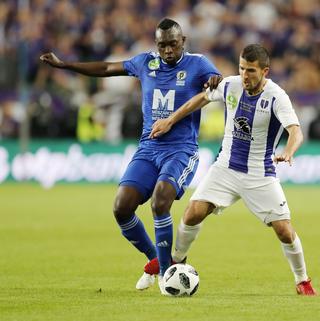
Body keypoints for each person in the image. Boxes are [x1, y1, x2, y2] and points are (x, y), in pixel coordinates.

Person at [40, 18, 221, 292]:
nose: (168, 50)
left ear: (183, 41)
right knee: (121, 207)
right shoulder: (145, 63)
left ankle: (165, 276)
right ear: (156, 44)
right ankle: (156, 261)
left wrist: (214, 80)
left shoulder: (198, 64)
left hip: (181, 150)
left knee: (161, 201)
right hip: (148, 149)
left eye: (173, 43)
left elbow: (215, 82)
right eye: (162, 45)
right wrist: (65, 65)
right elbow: (106, 68)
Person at [150, 44, 317, 296]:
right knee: (193, 212)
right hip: (225, 168)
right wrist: (171, 119)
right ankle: (176, 261)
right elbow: (202, 99)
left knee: (284, 230)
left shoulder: (277, 96)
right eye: (241, 68)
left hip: (259, 174)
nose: (244, 75)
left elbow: (296, 130)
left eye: (250, 70)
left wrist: (289, 151)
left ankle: (302, 280)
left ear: (265, 71)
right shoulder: (230, 85)